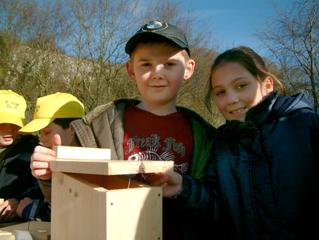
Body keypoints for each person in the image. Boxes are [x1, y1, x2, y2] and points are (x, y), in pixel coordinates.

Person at [30, 20, 216, 239]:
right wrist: (49, 176)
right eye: (146, 64)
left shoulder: (207, 136)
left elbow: (217, 208)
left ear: (189, 69)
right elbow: (69, 201)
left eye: (169, 64)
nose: (157, 73)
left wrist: (185, 189)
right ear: (130, 70)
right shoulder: (97, 127)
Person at [209, 46, 319, 239]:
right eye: (220, 92)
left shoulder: (306, 125)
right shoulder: (221, 145)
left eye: (241, 86)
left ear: (267, 84)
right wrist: (183, 189)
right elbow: (216, 211)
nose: (231, 99)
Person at [17, 92, 85, 221]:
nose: (41, 139)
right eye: (39, 133)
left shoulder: (95, 162)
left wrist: (31, 210)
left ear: (72, 129)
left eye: (47, 132)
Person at [0, 90, 43, 223]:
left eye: (15, 124)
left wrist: (17, 200)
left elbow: (44, 188)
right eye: (2, 123)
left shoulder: (34, 149)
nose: (9, 129)